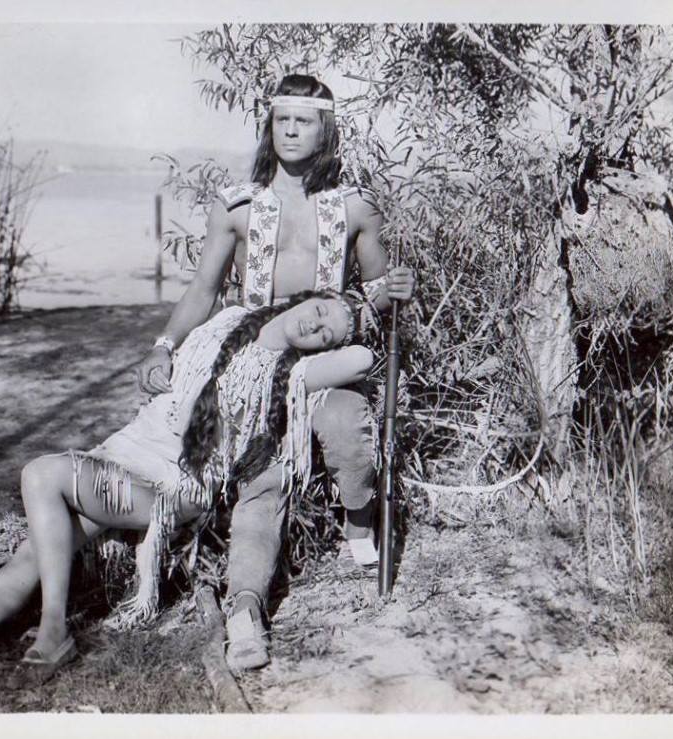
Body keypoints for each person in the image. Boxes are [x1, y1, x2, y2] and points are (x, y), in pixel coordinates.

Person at [0, 290, 372, 711]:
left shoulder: (292, 373)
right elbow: (175, 352)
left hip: (173, 487)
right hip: (121, 453)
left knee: (41, 473)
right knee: (33, 556)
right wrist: (162, 352)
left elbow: (362, 359)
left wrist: (360, 310)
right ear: (306, 296)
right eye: (321, 310)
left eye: (326, 333)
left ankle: (54, 629)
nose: (317, 325)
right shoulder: (228, 320)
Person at [134, 74, 415, 670]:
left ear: (325, 129)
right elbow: (202, 291)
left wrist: (395, 289)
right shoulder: (238, 206)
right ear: (270, 126)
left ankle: (359, 518)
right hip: (252, 361)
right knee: (259, 476)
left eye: (304, 120)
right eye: (281, 119)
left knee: (346, 425)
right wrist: (164, 347)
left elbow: (377, 293)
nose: (291, 130)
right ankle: (244, 610)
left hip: (323, 361)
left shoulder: (355, 206)